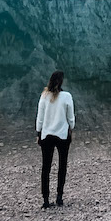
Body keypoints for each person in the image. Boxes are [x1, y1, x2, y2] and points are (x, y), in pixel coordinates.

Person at [36, 70, 75, 208]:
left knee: (45, 167)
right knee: (62, 166)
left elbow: (40, 117)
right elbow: (71, 117)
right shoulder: (67, 96)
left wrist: (38, 133)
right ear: (62, 81)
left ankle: (46, 200)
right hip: (63, 135)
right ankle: (59, 196)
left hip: (46, 135)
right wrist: (71, 127)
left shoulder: (44, 96)